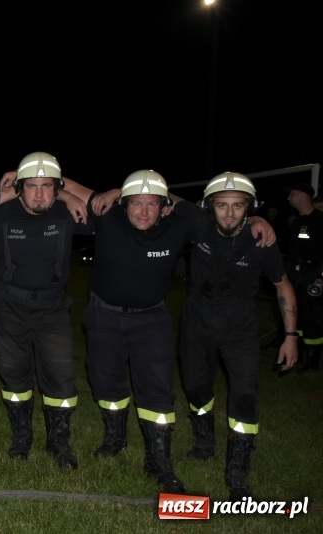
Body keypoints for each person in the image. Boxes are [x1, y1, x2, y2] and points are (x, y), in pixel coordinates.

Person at [60, 169, 277, 495]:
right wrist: (111, 188)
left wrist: (257, 218)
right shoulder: (107, 215)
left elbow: (226, 220)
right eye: (136, 204)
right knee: (106, 382)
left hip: (151, 321)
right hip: (104, 316)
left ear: (165, 207)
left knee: (158, 391)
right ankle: (115, 437)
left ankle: (158, 460)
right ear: (125, 204)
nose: (144, 211)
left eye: (152, 204)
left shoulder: (180, 224)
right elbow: (65, 185)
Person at [177, 172, 298, 501]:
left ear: (248, 208)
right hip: (198, 315)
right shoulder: (197, 222)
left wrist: (290, 336)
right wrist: (121, 190)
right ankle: (204, 440)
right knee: (195, 386)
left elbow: (282, 285)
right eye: (222, 205)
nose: (229, 213)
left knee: (245, 393)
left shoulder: (262, 240)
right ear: (209, 206)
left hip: (240, 321)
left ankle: (238, 469)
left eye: (239, 206)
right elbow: (165, 198)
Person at [0, 152, 92, 468]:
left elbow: (104, 203)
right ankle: (21, 437)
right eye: (31, 186)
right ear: (20, 187)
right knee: (13, 373)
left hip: (53, 308)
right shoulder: (0, 215)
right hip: (9, 307)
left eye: (47, 186)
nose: (39, 194)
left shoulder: (70, 213)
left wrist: (67, 192)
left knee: (60, 376)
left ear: (56, 187)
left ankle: (59, 442)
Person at [284, 183, 323, 373]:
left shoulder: (321, 220)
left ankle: (313, 357)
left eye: (292, 193)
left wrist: (321, 276)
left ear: (304, 195)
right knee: (294, 312)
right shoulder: (297, 222)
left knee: (311, 315)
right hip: (295, 273)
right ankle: (296, 354)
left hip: (312, 273)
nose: (289, 198)